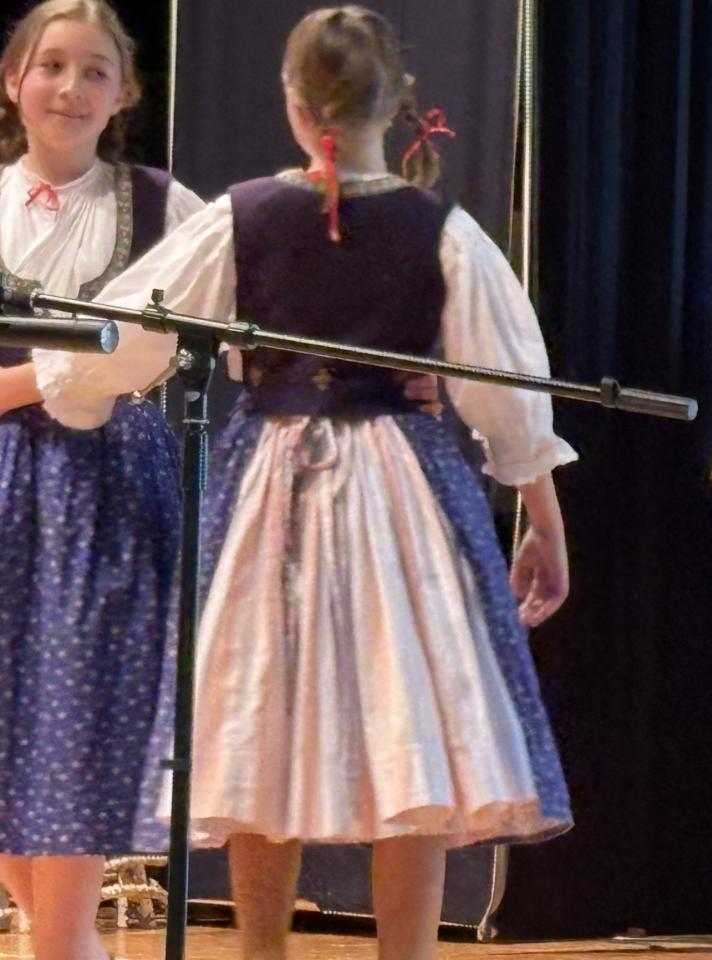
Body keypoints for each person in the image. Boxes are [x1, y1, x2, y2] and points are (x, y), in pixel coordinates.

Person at [29, 7, 575, 959]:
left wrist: (67, 380)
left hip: (271, 481)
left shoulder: (241, 217)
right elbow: (509, 387)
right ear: (395, 104)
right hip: (405, 487)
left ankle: (262, 950)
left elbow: (126, 332)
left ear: (290, 101)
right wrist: (542, 515)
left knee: (261, 709)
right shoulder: (443, 229)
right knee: (411, 715)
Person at [0, 2, 204, 958]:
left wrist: (17, 385)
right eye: (51, 66)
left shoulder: (165, 208)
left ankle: (63, 941)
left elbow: (156, 343)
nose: (70, 88)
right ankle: (62, 937)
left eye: (94, 71)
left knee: (76, 719)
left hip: (105, 480)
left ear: (124, 94)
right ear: (13, 80)